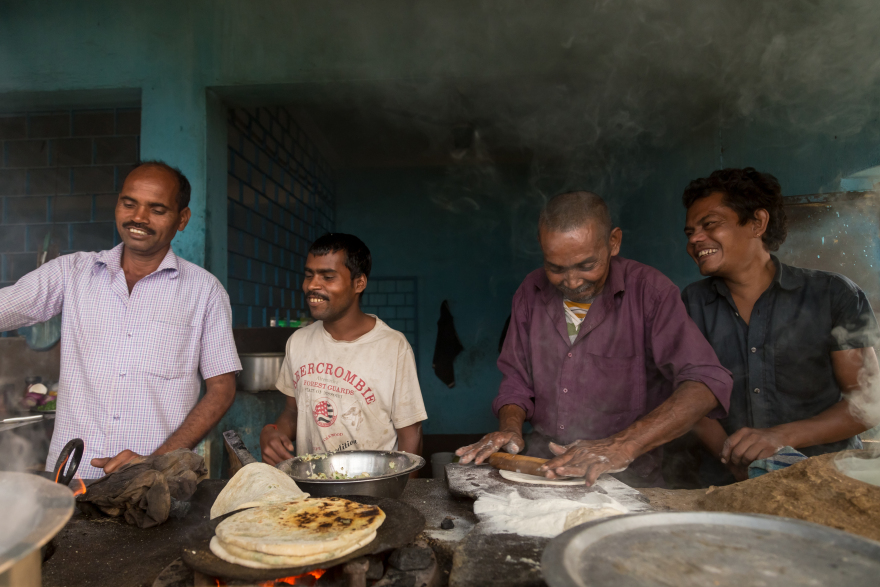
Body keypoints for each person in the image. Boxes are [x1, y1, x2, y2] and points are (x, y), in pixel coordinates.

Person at [456, 192, 733, 487]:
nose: (572, 282)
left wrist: (621, 446)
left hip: (628, 477)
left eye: (586, 266)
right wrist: (510, 428)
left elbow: (705, 383)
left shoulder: (649, 292)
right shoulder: (530, 291)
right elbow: (516, 379)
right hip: (546, 467)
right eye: (556, 268)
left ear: (613, 242)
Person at [0, 161, 241, 478]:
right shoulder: (71, 273)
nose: (139, 218)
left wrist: (156, 461)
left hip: (159, 483)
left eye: (157, 209)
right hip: (72, 477)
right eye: (129, 203)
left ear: (182, 219)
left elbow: (221, 389)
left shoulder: (205, 292)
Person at [682, 167, 880, 485]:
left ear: (758, 222)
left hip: (827, 479)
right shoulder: (692, 304)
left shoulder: (832, 294)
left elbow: (869, 402)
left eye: (710, 225)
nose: (695, 239)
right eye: (690, 232)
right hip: (728, 484)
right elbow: (690, 399)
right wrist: (735, 460)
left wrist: (781, 437)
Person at [259, 233, 427, 472]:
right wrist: (272, 431)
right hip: (313, 489)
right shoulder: (298, 341)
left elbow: (411, 434)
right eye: (309, 275)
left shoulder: (392, 346)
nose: (313, 286)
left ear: (359, 283)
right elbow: (292, 412)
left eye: (328, 277)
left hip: (373, 487)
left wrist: (401, 493)